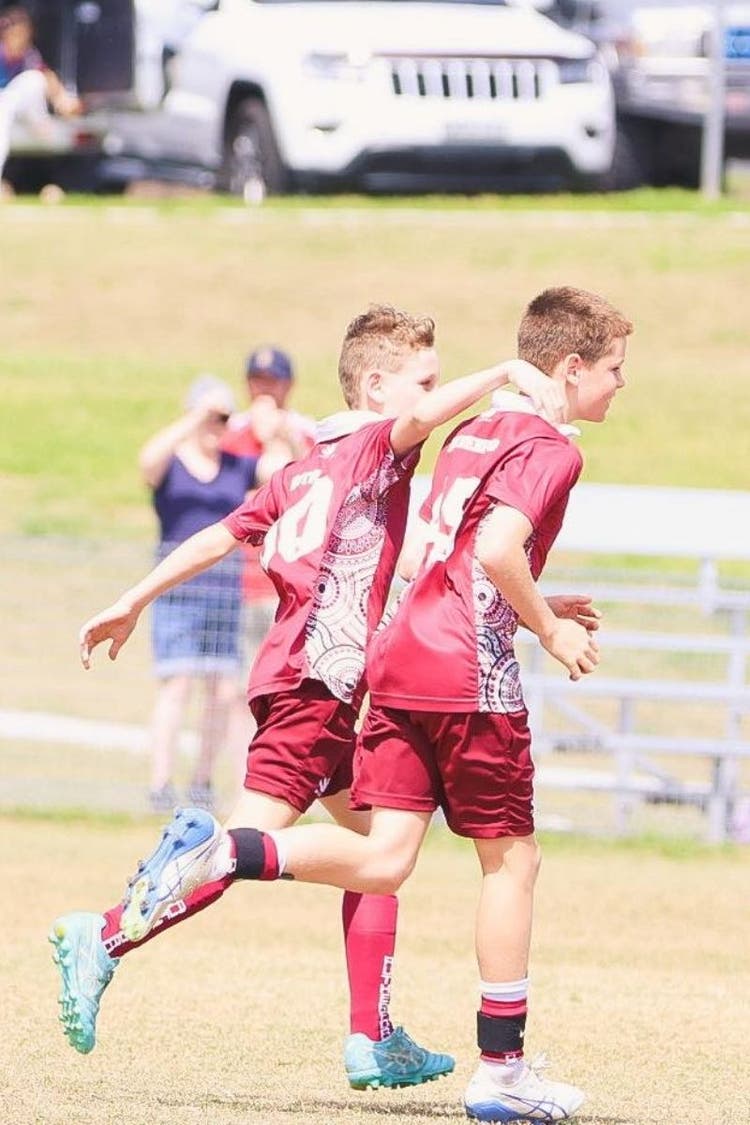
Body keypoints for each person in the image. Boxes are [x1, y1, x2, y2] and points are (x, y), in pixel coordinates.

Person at [84, 287, 632, 1122]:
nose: (624, 383)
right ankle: (500, 1068)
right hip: (375, 676)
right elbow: (490, 545)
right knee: (508, 861)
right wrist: (549, 627)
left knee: (381, 856)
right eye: (617, 368)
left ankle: (371, 1032)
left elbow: (440, 551)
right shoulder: (463, 441)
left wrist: (134, 595)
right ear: (570, 367)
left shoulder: (440, 442)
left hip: (389, 663)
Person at [139, 374, 281, 814]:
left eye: (223, 415)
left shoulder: (235, 465)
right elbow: (147, 462)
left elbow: (280, 472)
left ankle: (202, 780)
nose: (218, 423)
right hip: (178, 591)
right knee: (177, 684)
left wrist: (272, 431)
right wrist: (195, 416)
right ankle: (161, 782)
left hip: (224, 593)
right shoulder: (173, 465)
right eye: (212, 415)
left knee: (221, 690)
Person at [222, 346, 316, 677]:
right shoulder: (230, 432)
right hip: (239, 580)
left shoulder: (306, 432)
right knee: (237, 682)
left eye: (272, 382)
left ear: (288, 385)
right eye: (257, 381)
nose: (264, 390)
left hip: (289, 582)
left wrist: (283, 438)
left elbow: (315, 489)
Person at [0, 5, 81, 189]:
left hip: (18, 107)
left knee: (34, 80)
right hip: (4, 108)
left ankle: (38, 120)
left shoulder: (28, 55)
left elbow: (45, 76)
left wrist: (62, 98)